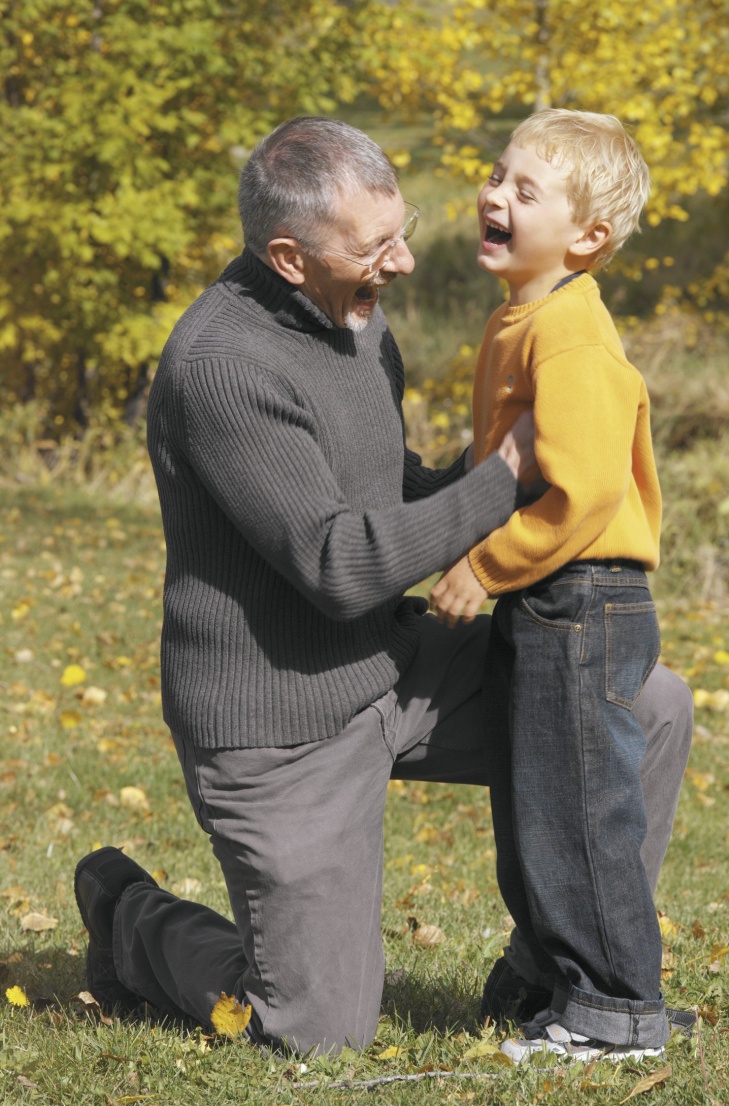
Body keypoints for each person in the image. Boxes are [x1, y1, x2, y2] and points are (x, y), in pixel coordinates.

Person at [73, 116, 692, 1058]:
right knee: (317, 1033)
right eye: (377, 248)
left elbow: (388, 484)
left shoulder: (357, 313)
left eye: (399, 231)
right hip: (281, 724)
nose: (403, 262)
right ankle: (130, 919)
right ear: (289, 257)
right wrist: (508, 474)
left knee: (646, 703)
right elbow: (338, 562)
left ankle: (557, 968)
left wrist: (503, 484)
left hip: (392, 663)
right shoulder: (222, 366)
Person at [431, 109, 683, 1063]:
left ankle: (616, 1015)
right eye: (498, 176)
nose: (494, 195)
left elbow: (580, 492)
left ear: (588, 237)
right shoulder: (523, 318)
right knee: (539, 804)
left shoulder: (571, 337)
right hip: (554, 595)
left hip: (579, 593)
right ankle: (555, 983)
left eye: (524, 190)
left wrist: (483, 566)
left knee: (579, 810)